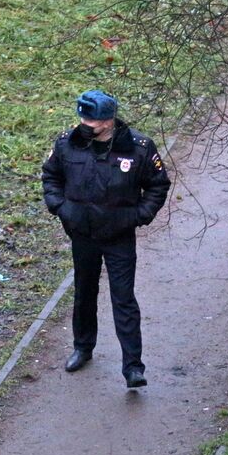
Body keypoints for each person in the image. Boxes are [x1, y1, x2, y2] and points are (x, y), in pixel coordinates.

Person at [41, 90, 171, 388]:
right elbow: (51, 176)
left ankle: (133, 367)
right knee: (84, 293)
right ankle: (83, 348)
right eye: (83, 117)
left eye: (93, 120)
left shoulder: (139, 148)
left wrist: (136, 216)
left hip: (118, 236)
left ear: (109, 120)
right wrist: (61, 208)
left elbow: (157, 186)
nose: (86, 124)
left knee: (123, 299)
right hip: (82, 234)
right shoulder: (67, 143)